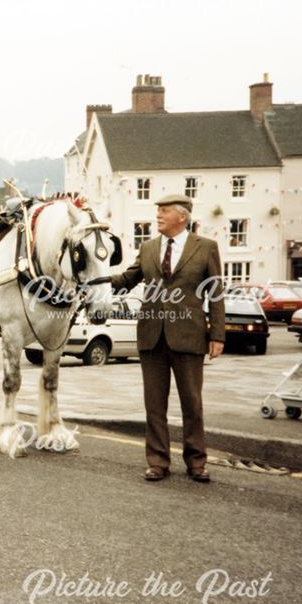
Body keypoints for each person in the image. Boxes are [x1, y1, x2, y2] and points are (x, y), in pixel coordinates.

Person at [111, 194, 226, 482]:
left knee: (192, 403)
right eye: (157, 211)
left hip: (189, 335)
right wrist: (92, 279)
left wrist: (218, 335)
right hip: (152, 336)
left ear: (182, 216)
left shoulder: (206, 248)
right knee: (154, 405)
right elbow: (127, 279)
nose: (158, 216)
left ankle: (196, 462)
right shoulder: (148, 247)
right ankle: (158, 462)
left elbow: (216, 295)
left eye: (164, 212)